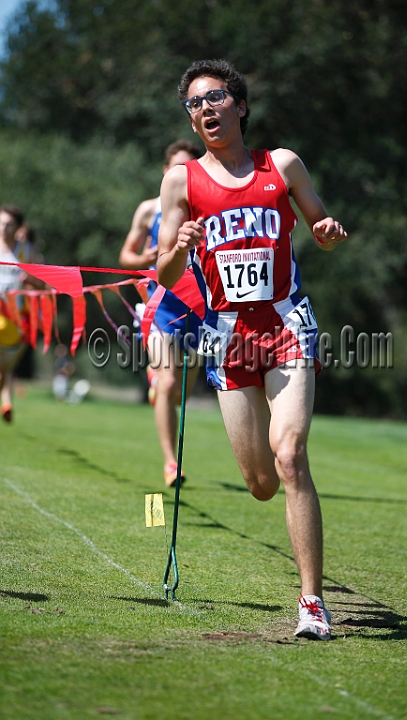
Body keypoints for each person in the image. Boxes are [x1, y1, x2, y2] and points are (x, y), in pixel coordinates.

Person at [157, 60, 347, 640]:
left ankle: (312, 603)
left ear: (239, 106)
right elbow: (163, 273)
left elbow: (320, 222)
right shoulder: (181, 180)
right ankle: (270, 468)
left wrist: (326, 230)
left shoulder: (280, 166)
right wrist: (179, 246)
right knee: (262, 483)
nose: (205, 109)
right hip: (227, 338)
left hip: (287, 325)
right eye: (194, 103)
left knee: (290, 456)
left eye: (215, 98)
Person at [119, 140, 203, 486]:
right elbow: (126, 256)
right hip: (162, 305)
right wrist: (149, 257)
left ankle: (160, 391)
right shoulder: (148, 210)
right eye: (176, 167)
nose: (181, 174)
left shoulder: (207, 204)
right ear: (165, 170)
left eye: (189, 168)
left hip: (200, 308)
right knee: (168, 382)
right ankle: (171, 464)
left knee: (182, 390)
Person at [0, 205, 43, 422]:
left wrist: (32, 280)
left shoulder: (27, 252)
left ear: (17, 227)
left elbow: (45, 286)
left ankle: (6, 399)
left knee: (4, 369)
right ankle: (6, 401)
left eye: (8, 225)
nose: (3, 229)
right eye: (1, 223)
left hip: (16, 317)